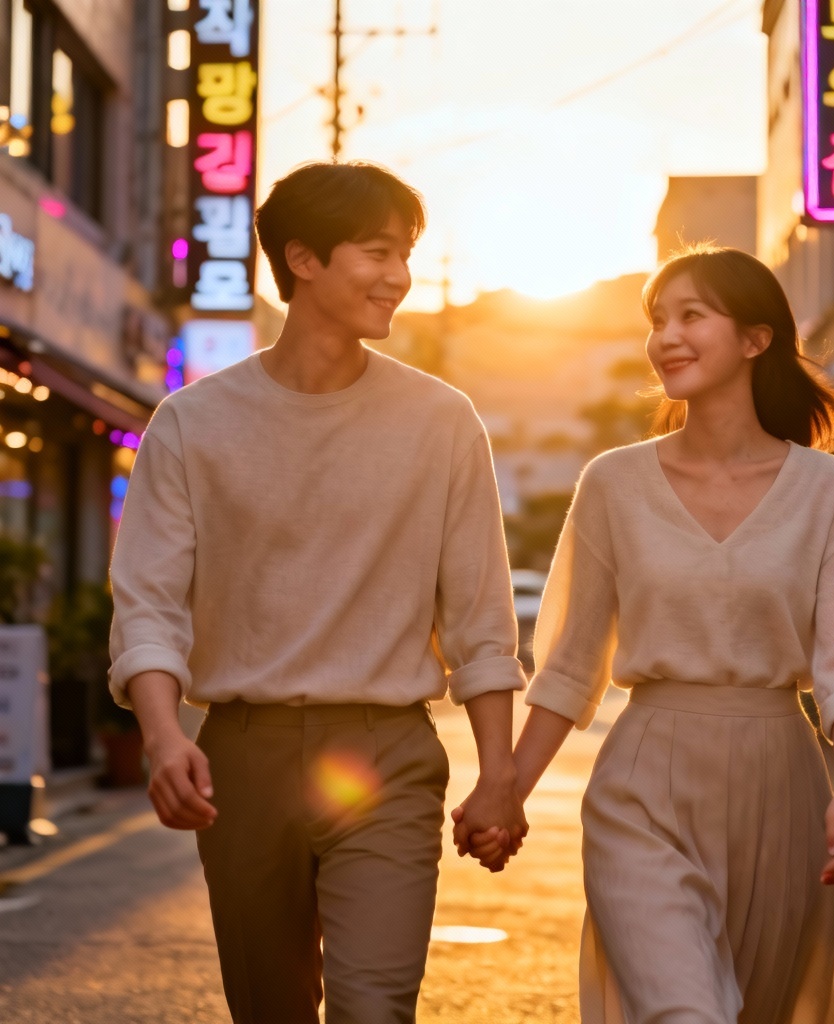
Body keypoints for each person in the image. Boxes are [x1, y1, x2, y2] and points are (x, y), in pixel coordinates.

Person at [109, 160, 527, 1024]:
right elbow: (148, 604)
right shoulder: (193, 424)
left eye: (406, 254)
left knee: (376, 1007)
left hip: (386, 757)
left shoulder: (442, 422)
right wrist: (161, 735)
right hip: (243, 760)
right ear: (303, 259)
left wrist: (500, 775)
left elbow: (483, 621)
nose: (400, 278)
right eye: (378, 252)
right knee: (272, 1010)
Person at [458, 244, 834, 1023]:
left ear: (756, 340)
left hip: (781, 784)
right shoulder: (613, 483)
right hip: (644, 780)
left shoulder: (825, 488)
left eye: (692, 315)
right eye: (658, 320)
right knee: (682, 1011)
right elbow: (568, 665)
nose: (666, 337)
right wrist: (507, 792)